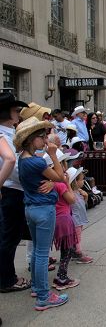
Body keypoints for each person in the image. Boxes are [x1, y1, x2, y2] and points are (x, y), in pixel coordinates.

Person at [14, 117, 69, 310]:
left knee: (38, 251)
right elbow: (61, 176)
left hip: (30, 209)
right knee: (42, 254)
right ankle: (44, 295)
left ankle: (37, 287)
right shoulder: (37, 162)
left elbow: (53, 180)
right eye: (41, 136)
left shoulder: (23, 159)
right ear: (31, 139)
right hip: (44, 210)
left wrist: (52, 182)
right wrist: (54, 154)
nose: (45, 140)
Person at [0, 93, 30, 294]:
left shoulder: (9, 132)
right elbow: (13, 162)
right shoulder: (3, 134)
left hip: (13, 189)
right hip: (12, 190)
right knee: (9, 237)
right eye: (16, 111)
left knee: (11, 236)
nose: (18, 115)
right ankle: (7, 279)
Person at [51, 163, 79, 291]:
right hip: (64, 220)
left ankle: (61, 277)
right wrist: (67, 183)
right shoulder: (60, 184)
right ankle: (62, 278)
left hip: (56, 218)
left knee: (66, 249)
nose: (64, 167)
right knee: (67, 249)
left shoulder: (49, 184)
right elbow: (72, 200)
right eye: (62, 165)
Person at [69, 167, 93, 264]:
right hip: (75, 219)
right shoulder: (71, 194)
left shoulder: (78, 191)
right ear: (75, 181)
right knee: (77, 237)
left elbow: (83, 205)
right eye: (82, 179)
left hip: (79, 218)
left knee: (77, 236)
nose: (83, 181)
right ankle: (78, 253)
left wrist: (86, 196)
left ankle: (75, 252)